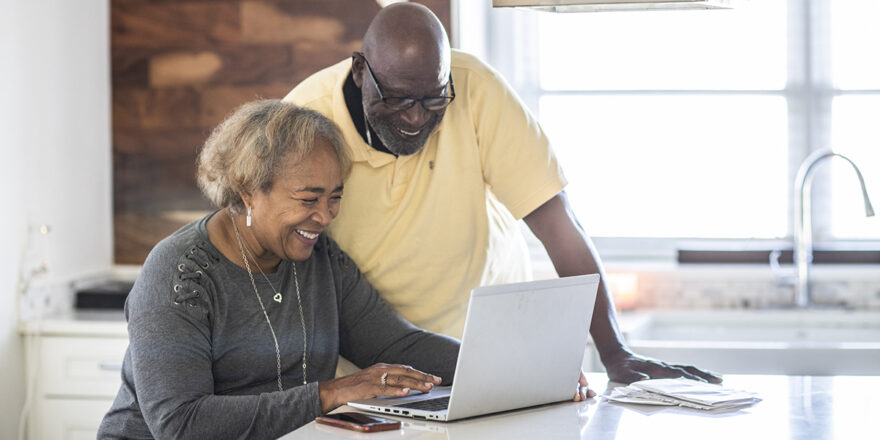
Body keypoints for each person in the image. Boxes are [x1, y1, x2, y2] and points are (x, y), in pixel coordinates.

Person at [283, 3, 722, 389]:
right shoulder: (305, 120)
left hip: (485, 340)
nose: (415, 118)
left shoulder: (477, 90)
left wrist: (614, 352)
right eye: (397, 99)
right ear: (361, 71)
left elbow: (558, 225)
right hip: (366, 366)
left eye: (434, 99)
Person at [97, 100, 459, 439]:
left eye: (335, 197)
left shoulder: (322, 260)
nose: (325, 216)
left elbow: (396, 343)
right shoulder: (179, 275)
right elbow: (181, 424)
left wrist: (499, 362)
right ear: (248, 191)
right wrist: (327, 394)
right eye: (308, 199)